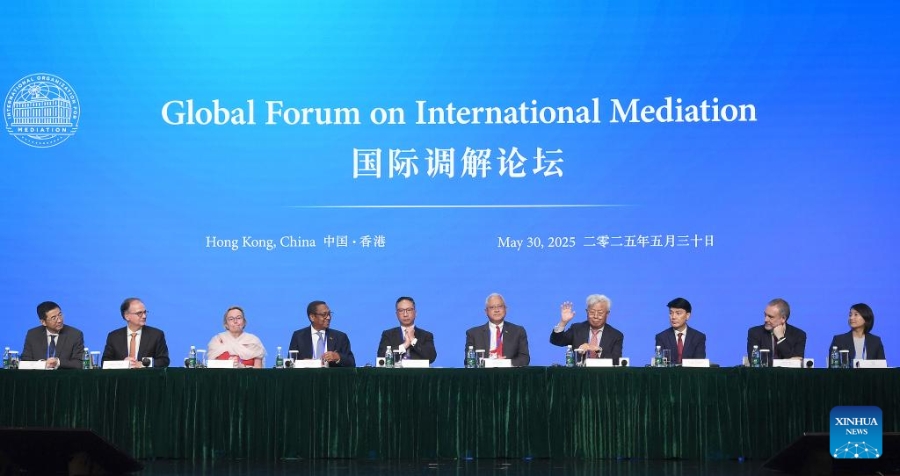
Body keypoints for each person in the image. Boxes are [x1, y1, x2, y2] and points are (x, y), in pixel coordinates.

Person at [550, 294, 624, 365]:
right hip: (579, 373)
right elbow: (556, 341)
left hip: (604, 373)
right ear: (586, 312)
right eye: (592, 312)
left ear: (607, 314)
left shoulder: (616, 335)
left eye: (600, 313)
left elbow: (616, 360)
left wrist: (598, 350)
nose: (595, 316)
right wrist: (563, 322)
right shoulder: (576, 329)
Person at [101, 298, 170, 367]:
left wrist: (142, 364)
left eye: (145, 312)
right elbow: (105, 362)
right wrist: (123, 364)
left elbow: (164, 360)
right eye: (139, 313)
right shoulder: (114, 337)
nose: (144, 316)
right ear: (127, 316)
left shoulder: (156, 335)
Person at [464, 293, 530, 366]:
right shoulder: (473, 334)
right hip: (484, 372)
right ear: (486, 311)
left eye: (500, 306)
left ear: (506, 309)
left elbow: (525, 359)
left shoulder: (518, 331)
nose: (496, 310)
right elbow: (468, 361)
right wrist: (489, 363)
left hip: (510, 372)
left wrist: (504, 363)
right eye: (492, 307)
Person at [288, 300, 355, 367]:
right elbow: (291, 363)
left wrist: (338, 357)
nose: (328, 317)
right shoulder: (298, 336)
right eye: (324, 314)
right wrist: (305, 363)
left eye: (329, 314)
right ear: (312, 317)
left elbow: (352, 363)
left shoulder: (340, 337)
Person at [21, 301, 86, 369]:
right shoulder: (33, 334)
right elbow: (25, 362)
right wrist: (43, 365)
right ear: (43, 322)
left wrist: (58, 362)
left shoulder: (75, 335)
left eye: (60, 315)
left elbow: (79, 363)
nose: (59, 320)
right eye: (53, 318)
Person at [376, 296, 437, 363]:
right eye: (401, 310)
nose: (405, 314)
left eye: (409, 310)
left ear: (415, 313)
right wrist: (405, 345)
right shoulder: (388, 334)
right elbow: (381, 357)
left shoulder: (426, 335)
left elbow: (431, 357)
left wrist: (413, 341)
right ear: (396, 315)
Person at [654, 297, 706, 364]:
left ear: (687, 316)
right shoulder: (661, 337)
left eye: (678, 313)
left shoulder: (698, 337)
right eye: (671, 313)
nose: (673, 317)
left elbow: (699, 364)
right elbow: (660, 364)